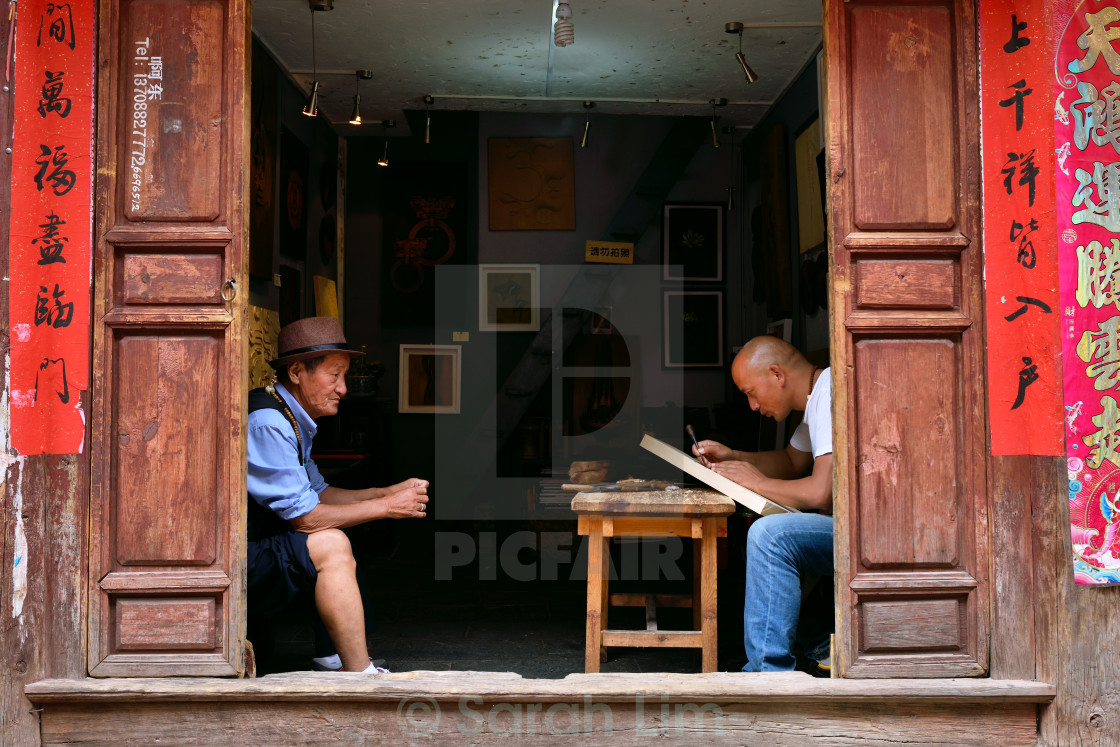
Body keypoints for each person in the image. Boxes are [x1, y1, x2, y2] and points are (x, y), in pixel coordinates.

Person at [247, 316, 429, 674]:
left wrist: (384, 492)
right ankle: (360, 674)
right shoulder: (270, 422)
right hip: (231, 555)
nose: (343, 388)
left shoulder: (290, 414)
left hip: (259, 540)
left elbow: (319, 493)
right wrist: (387, 507)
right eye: (335, 375)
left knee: (335, 534)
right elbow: (306, 518)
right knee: (330, 542)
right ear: (297, 371)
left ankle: (333, 653)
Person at [692, 335, 833, 673]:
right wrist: (733, 456)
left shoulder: (829, 395)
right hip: (847, 529)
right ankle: (815, 643)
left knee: (769, 535)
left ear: (776, 374)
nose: (753, 406)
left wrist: (756, 483)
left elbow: (820, 493)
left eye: (750, 393)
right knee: (759, 531)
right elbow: (790, 461)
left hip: (871, 538)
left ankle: (769, 673)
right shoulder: (816, 397)